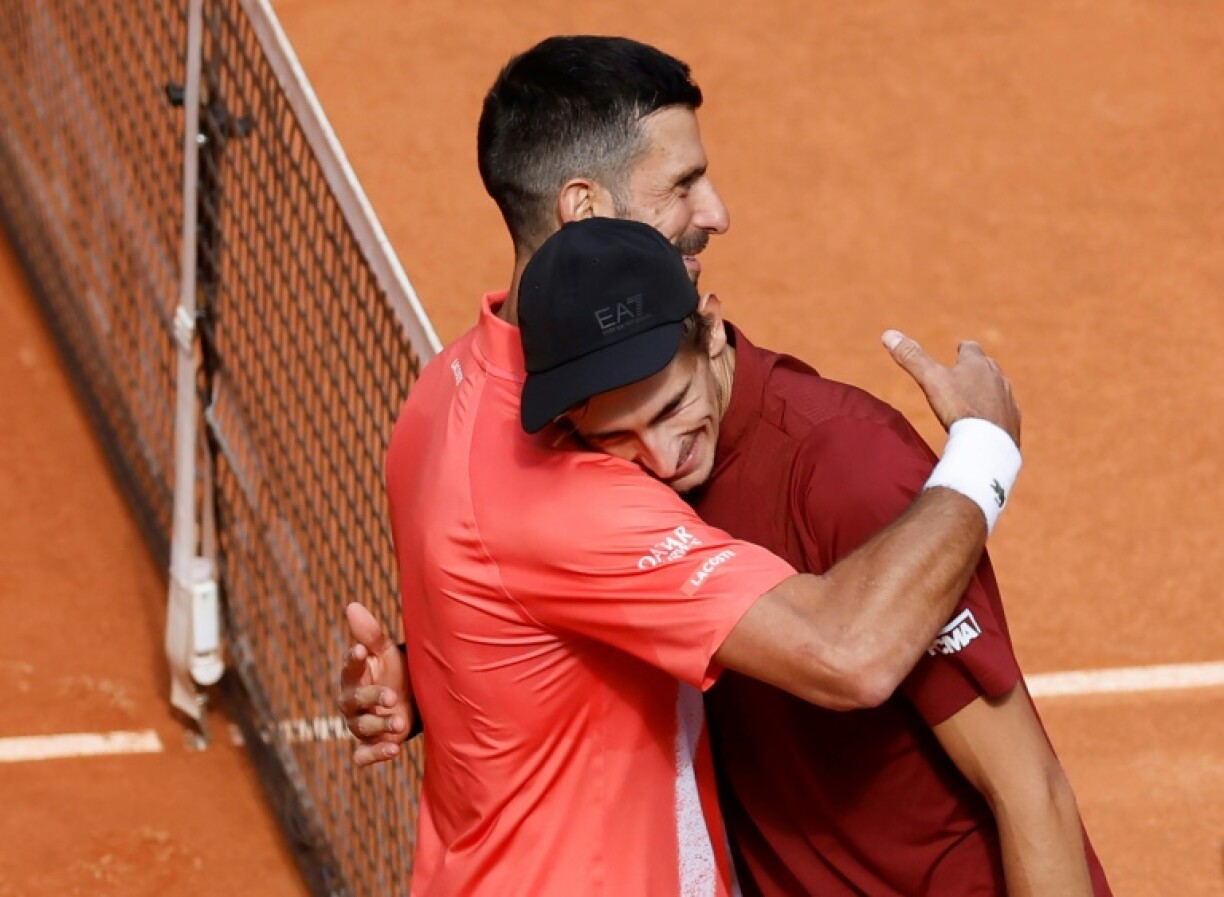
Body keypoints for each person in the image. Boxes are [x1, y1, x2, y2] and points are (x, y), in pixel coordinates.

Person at [340, 36, 1023, 896]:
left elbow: (518, 594)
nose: (717, 211)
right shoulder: (573, 497)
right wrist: (984, 452)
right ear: (584, 208)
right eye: (680, 185)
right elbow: (849, 651)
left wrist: (444, 672)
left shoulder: (440, 391)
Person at [512, 217, 1112, 896]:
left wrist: (986, 455)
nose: (660, 456)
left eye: (673, 405)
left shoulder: (848, 470)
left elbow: (1032, 790)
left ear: (711, 329)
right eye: (618, 434)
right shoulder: (613, 495)